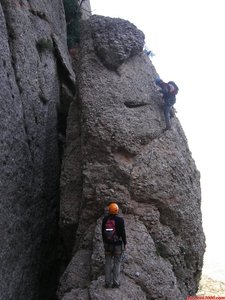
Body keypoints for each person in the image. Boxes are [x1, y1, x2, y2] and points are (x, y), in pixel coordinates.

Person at [102, 202, 126, 288]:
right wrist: (125, 242)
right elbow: (123, 233)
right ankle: (115, 282)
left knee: (108, 263)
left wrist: (105, 242)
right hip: (117, 246)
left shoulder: (105, 219)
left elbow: (102, 232)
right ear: (117, 211)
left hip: (107, 245)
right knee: (117, 264)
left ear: (109, 210)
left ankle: (107, 283)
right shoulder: (120, 220)